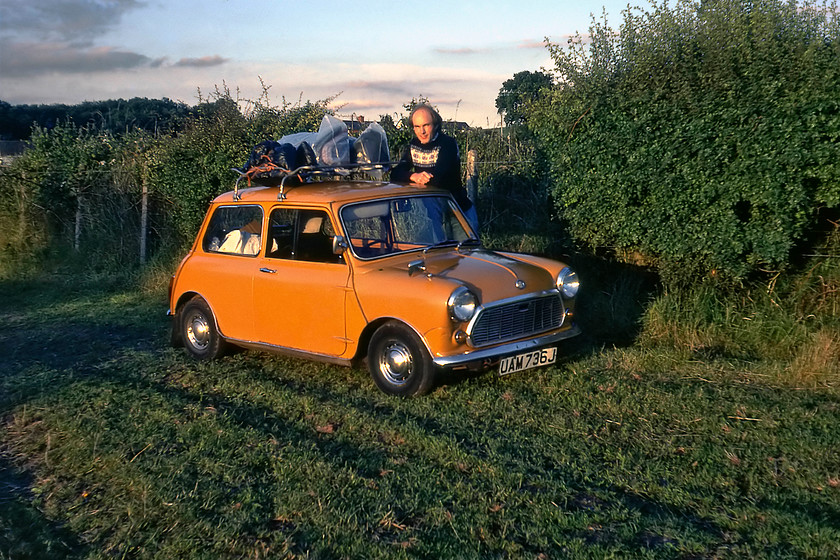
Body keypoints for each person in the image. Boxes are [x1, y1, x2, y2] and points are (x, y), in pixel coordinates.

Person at [391, 104, 479, 233]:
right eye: (417, 126)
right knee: (437, 251)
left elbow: (438, 177)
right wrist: (414, 176)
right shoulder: (413, 145)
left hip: (458, 211)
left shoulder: (448, 144)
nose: (422, 131)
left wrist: (416, 177)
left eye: (426, 125)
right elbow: (395, 174)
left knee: (466, 251)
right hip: (432, 214)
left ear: (436, 125)